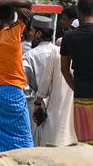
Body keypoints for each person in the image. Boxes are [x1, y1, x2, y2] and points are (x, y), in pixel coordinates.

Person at [0, 0, 33, 152]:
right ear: (13, 16)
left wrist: (2, 3)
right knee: (23, 138)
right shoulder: (14, 34)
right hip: (12, 91)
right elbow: (28, 5)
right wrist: (10, 3)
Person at [61, 0, 93, 146]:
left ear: (78, 13)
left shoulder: (69, 37)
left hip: (81, 94)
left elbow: (64, 69)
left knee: (85, 141)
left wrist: (76, 87)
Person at [23, 14, 75, 147]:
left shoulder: (28, 56)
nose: (30, 34)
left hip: (35, 106)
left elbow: (25, 84)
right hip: (59, 104)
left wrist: (37, 101)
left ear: (38, 34)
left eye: (32, 31)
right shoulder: (61, 52)